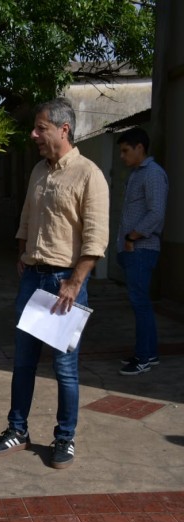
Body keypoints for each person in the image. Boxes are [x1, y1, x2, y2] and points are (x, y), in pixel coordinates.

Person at [0, 97, 109, 469]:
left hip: (64, 283)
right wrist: (22, 252)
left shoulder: (89, 174)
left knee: (65, 368)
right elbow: (26, 215)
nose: (34, 134)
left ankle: (65, 438)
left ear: (63, 129)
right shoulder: (39, 170)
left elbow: (95, 237)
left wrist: (74, 282)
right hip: (33, 279)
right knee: (22, 361)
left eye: (41, 128)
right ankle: (17, 430)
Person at [115, 127, 168, 376]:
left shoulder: (153, 174)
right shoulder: (136, 174)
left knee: (140, 304)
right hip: (132, 249)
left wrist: (132, 236)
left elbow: (156, 212)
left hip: (141, 248)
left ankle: (144, 357)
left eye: (126, 151)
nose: (123, 157)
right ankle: (149, 353)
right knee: (140, 304)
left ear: (140, 148)